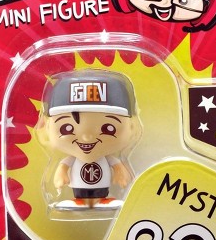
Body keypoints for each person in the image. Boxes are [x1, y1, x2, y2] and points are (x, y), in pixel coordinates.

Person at [38, 69, 140, 209]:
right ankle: (79, 201)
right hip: (78, 189)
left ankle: (102, 200)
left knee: (102, 193)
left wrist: (120, 172)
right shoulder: (71, 159)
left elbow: (117, 165)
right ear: (48, 127)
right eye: (67, 128)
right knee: (79, 195)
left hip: (102, 188)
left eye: (108, 128)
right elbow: (63, 166)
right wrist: (61, 174)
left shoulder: (109, 158)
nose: (87, 137)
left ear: (132, 127)